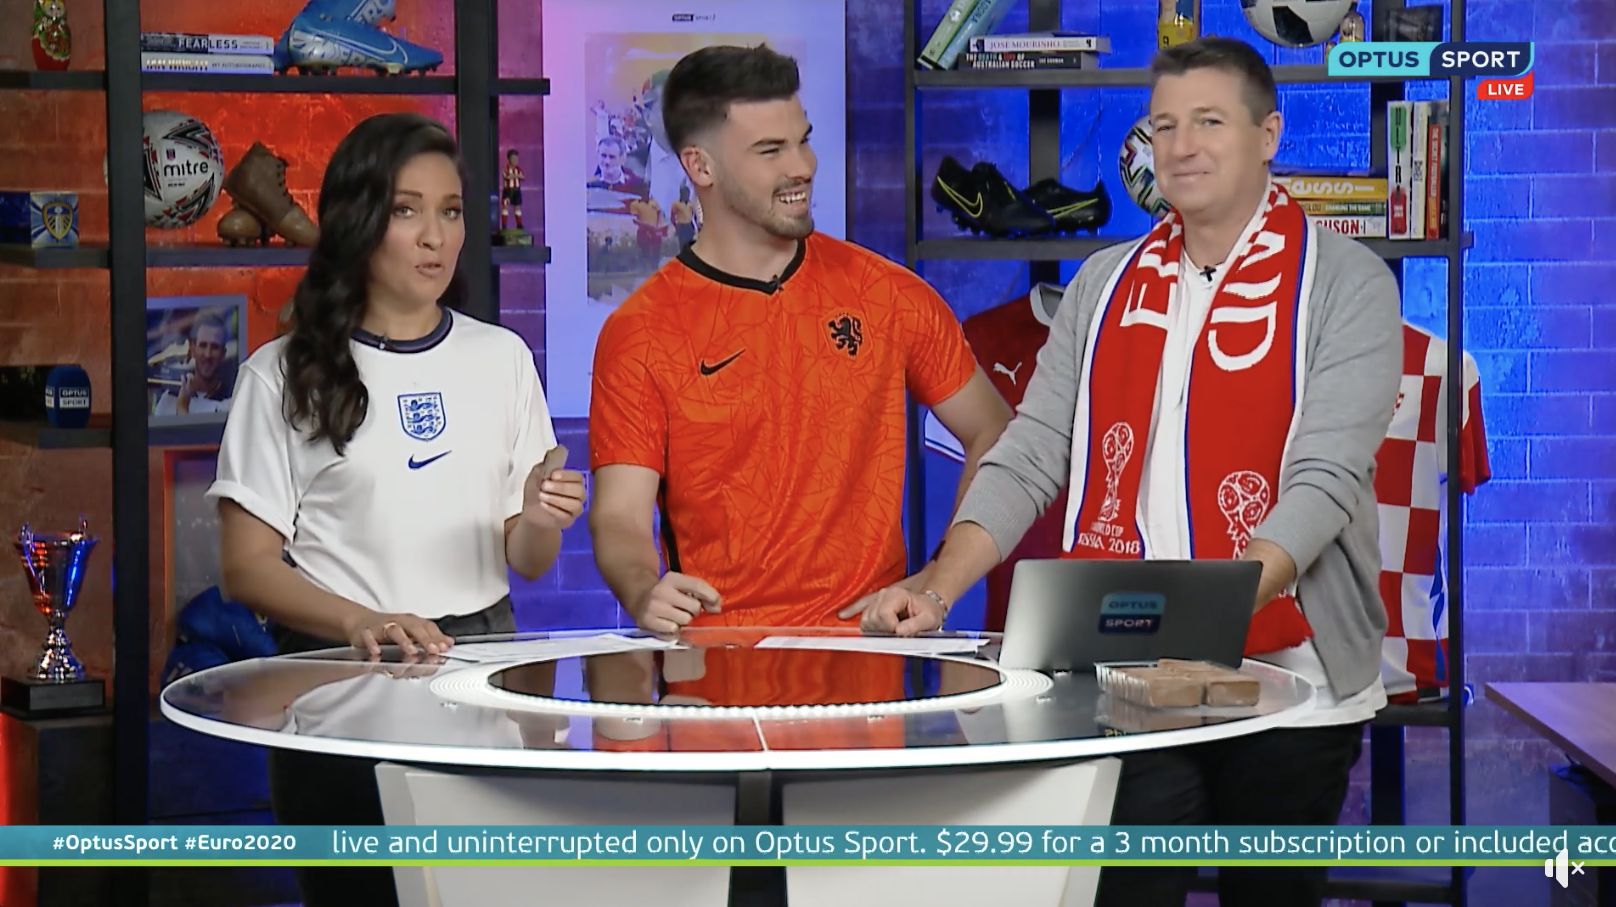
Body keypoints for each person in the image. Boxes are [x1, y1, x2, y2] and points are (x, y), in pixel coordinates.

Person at [859, 37, 1401, 907]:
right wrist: (937, 583)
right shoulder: (1105, 283)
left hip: (1294, 673)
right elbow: (1031, 449)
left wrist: (1219, 605)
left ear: (1268, 135)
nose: (1181, 147)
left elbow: (1326, 477)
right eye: (1164, 126)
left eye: (1209, 122)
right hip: (1128, 670)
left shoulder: (1348, 282)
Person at [208, 112, 586, 907]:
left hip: (480, 680)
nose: (435, 237)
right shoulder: (281, 374)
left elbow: (528, 559)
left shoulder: (502, 358)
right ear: (359, 219)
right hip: (335, 683)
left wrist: (539, 516)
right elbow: (246, 568)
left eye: (450, 211)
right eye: (407, 210)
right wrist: (361, 620)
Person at [588, 43, 1012, 633]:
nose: (803, 166)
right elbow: (620, 516)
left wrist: (941, 578)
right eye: (771, 150)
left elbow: (996, 433)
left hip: (871, 653)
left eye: (803, 140)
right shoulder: (640, 332)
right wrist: (641, 591)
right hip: (717, 662)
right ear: (700, 167)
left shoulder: (888, 294)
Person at [153, 313, 234, 416]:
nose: (208, 354)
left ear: (223, 354)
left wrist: (182, 406)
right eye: (203, 346)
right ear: (192, 349)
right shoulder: (169, 399)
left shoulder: (232, 400)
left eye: (214, 347)